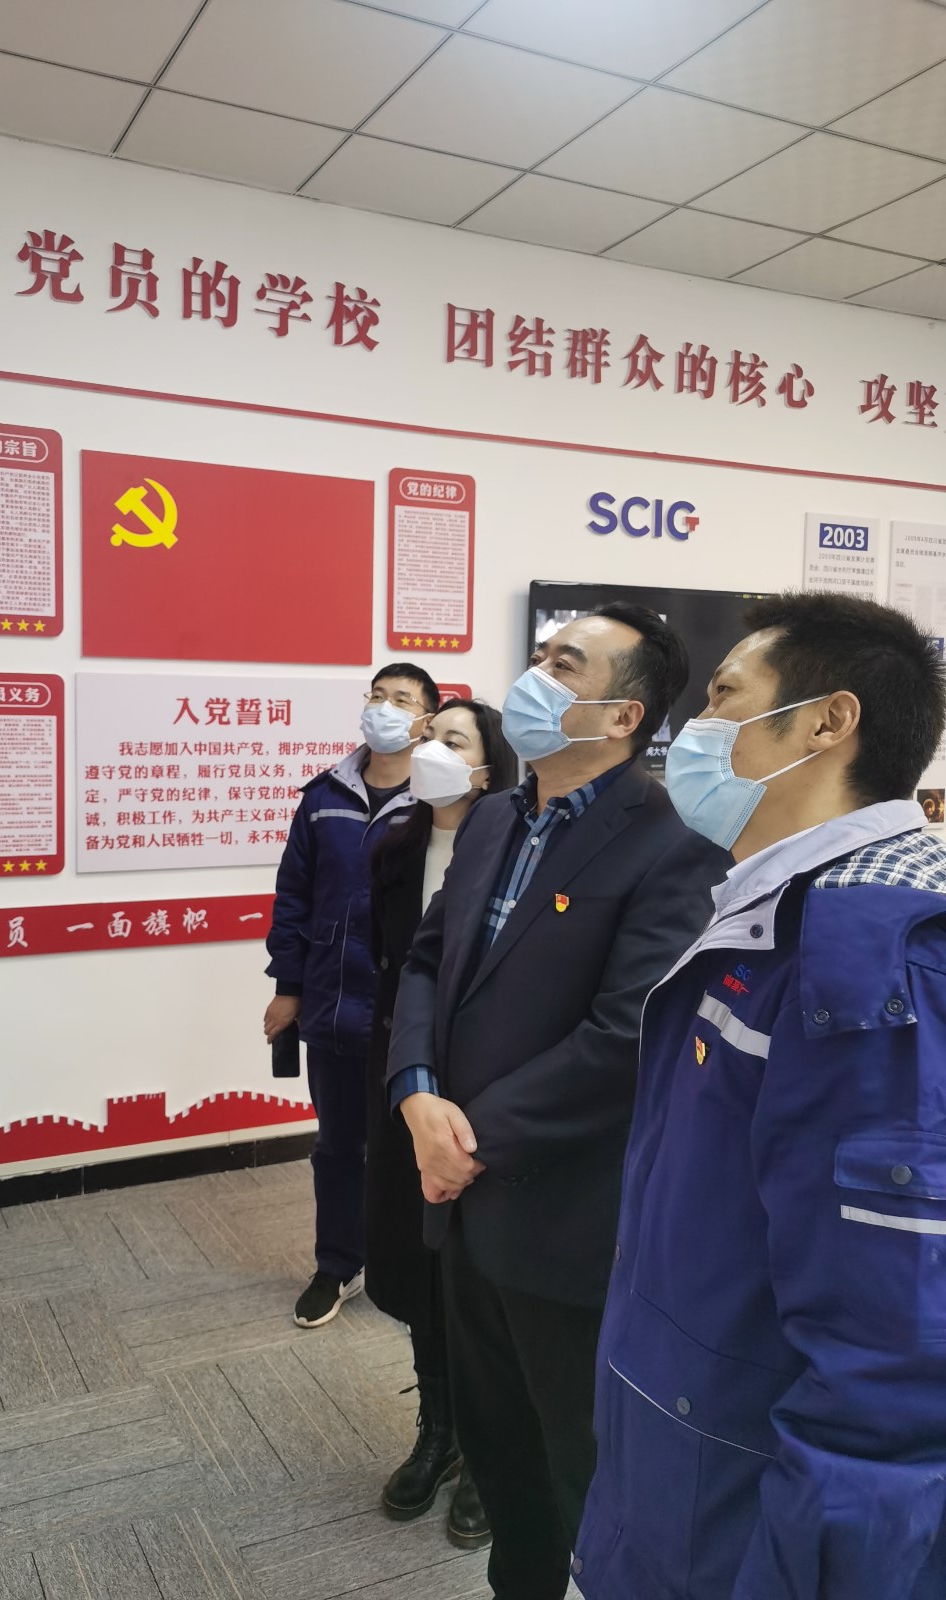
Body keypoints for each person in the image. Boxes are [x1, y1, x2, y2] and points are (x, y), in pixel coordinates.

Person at [574, 592, 946, 1600]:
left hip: (740, 1519)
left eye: (725, 695)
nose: (695, 726)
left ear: (828, 721)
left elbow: (892, 1370)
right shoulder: (777, 906)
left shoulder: (874, 957)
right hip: (685, 1461)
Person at [386, 604, 731, 1600]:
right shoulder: (495, 817)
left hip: (561, 1220)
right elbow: (426, 962)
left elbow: (626, 1034)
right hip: (457, 1199)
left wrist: (468, 1138)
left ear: (623, 716)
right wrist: (416, 1094)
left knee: (575, 1467)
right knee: (500, 1457)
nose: (535, 674)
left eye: (565, 663)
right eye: (540, 654)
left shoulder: (674, 841)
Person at [366, 699, 517, 1548]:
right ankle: (440, 1430)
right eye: (429, 735)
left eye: (451, 740)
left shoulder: (517, 850)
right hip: (407, 1081)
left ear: (488, 770)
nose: (427, 748)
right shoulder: (395, 846)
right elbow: (398, 969)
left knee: (488, 1278)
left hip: (487, 1094)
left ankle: (495, 1459)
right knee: (419, 1265)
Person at [265, 662, 440, 1329]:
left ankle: (409, 1264)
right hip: (334, 1006)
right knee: (338, 1144)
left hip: (408, 1010)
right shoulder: (323, 796)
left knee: (410, 1146)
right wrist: (288, 988)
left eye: (402, 699)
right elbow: (293, 896)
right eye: (378, 695)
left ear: (426, 719)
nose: (385, 708)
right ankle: (337, 1263)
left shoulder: (440, 799)